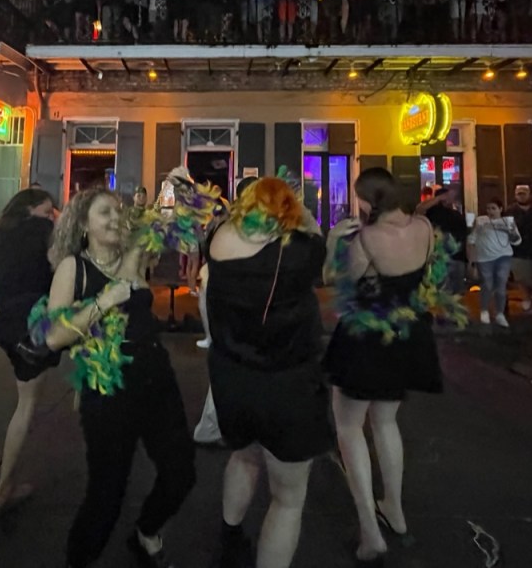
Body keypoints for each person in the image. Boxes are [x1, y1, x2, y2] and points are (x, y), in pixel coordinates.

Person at [43, 188, 195, 568]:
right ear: (83, 223)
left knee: (181, 473)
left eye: (118, 211)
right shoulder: (73, 269)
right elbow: (54, 337)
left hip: (156, 378)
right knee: (107, 494)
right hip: (108, 389)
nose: (115, 218)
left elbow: (170, 223)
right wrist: (103, 302)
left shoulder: (132, 255)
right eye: (104, 212)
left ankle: (146, 531)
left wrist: (175, 187)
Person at [206, 176, 330, 568]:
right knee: (288, 498)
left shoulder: (219, 239)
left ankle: (229, 538)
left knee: (244, 457)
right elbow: (314, 233)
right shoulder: (302, 252)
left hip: (232, 379)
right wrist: (296, 206)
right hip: (287, 387)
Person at [324, 167, 443, 562]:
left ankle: (370, 530)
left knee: (348, 426)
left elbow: (339, 281)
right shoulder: (424, 227)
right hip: (407, 332)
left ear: (368, 199)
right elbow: (426, 272)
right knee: (386, 422)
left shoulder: (366, 238)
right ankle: (394, 508)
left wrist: (335, 243)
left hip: (366, 336)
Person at [0, 188, 60, 522]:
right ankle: (3, 492)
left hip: (8, 323)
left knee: (25, 403)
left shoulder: (0, 236)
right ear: (30, 209)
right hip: (35, 322)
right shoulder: (43, 232)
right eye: (47, 210)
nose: (51, 215)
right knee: (27, 407)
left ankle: (7, 487)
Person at [193, 176, 258, 448]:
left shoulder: (248, 226)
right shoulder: (231, 228)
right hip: (232, 307)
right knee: (232, 366)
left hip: (243, 308)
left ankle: (227, 425)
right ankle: (213, 427)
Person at [468, 198, 521, 327]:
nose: (490, 211)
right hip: (484, 258)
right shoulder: (481, 220)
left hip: (503, 256)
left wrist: (508, 230)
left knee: (501, 284)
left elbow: (517, 241)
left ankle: (500, 313)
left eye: (493, 208)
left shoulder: (507, 221)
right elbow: (471, 239)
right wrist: (472, 259)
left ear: (500, 209)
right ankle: (484, 310)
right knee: (487, 284)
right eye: (488, 208)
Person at [416, 187, 467, 293]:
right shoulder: (433, 212)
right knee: (441, 291)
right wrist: (440, 198)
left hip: (457, 258)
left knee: (458, 291)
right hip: (439, 259)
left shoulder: (457, 215)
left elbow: (464, 237)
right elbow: (419, 209)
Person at [505, 184, 532, 314]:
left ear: (529, 195)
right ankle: (528, 297)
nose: (521, 196)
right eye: (519, 194)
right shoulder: (509, 211)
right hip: (518, 250)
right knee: (521, 278)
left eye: (524, 193)